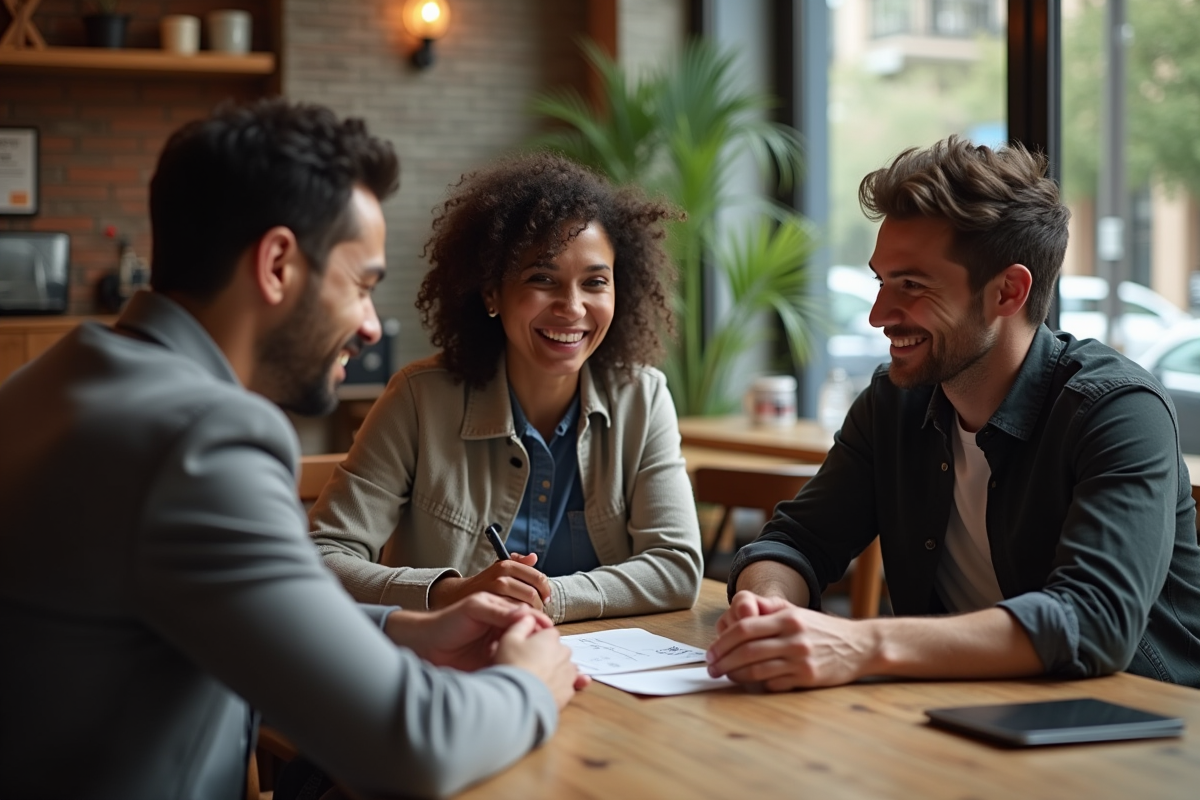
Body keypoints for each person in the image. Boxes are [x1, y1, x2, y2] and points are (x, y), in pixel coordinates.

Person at [0, 99, 587, 800]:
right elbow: (412, 746)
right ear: (277, 264)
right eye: (362, 285)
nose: (371, 326)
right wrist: (528, 683)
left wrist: (409, 630)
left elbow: (209, 602)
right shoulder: (203, 438)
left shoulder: (52, 381)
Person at [706, 136, 1200, 691]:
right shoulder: (894, 404)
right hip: (955, 720)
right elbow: (795, 542)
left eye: (911, 285)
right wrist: (767, 611)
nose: (877, 315)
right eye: (881, 281)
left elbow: (1092, 621)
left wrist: (858, 643)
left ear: (1008, 292)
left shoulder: (1117, 411)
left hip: (1137, 736)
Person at [309, 152, 703, 624]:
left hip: (598, 675)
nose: (573, 307)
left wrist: (549, 597)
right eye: (543, 279)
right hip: (449, 670)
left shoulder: (644, 398)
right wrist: (449, 593)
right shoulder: (419, 399)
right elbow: (324, 556)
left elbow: (676, 567)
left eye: (595, 282)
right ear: (492, 292)